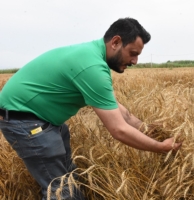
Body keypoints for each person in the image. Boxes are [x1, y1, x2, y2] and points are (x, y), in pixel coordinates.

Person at [0, 17, 182, 199]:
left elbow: (120, 111)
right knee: (60, 189)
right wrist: (160, 147)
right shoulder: (92, 66)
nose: (135, 61)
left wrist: (147, 129)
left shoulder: (91, 56)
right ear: (116, 42)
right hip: (25, 121)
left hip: (45, 120)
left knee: (70, 180)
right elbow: (119, 129)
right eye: (133, 53)